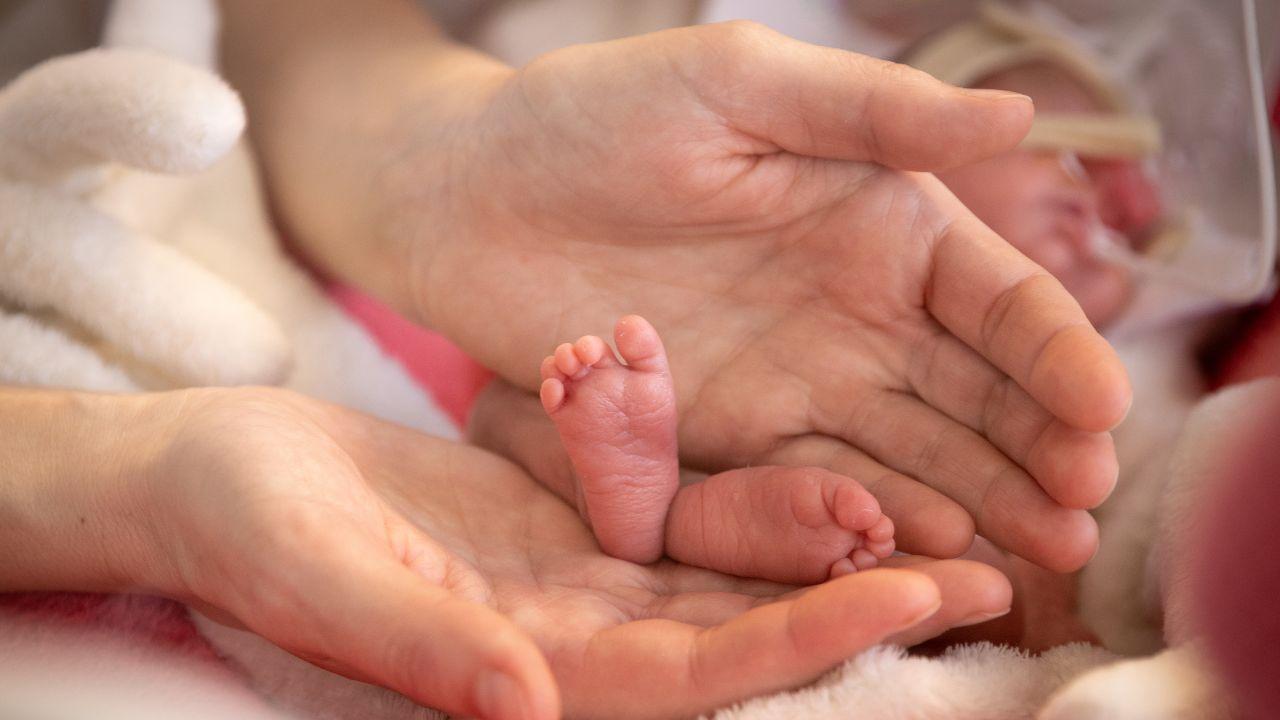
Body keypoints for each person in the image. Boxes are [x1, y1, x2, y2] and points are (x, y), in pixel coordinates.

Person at [0, 1, 1133, 718]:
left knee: (788, 521)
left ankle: (647, 488)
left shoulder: (1036, 391)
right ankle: (635, 478)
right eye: (1073, 173)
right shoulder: (719, 166)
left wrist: (423, 146)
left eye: (1139, 244)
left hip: (645, 482)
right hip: (438, 391)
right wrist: (122, 466)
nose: (1104, 231)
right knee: (564, 420)